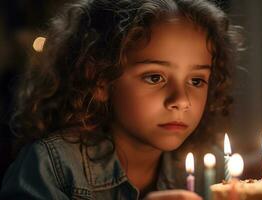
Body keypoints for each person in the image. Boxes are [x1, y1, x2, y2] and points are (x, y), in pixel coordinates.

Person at [0, 0, 240, 199]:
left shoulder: (213, 167)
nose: (181, 100)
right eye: (155, 77)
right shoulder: (53, 167)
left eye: (196, 81)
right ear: (100, 80)